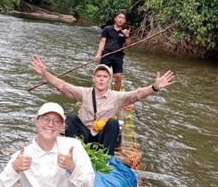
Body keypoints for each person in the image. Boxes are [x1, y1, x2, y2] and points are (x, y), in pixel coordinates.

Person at [30, 55, 175, 156]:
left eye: (105, 77)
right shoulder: (84, 93)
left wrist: (154, 87)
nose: (101, 79)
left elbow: (137, 95)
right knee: (72, 118)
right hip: (84, 134)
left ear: (110, 80)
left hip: (102, 139)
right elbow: (62, 85)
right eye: (98, 76)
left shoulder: (117, 97)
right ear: (93, 79)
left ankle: (107, 159)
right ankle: (72, 155)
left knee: (113, 123)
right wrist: (45, 74)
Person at [0, 102, 99, 187]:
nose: (50, 124)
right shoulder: (23, 156)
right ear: (37, 121)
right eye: (46, 119)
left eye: (56, 121)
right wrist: (14, 170)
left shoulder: (74, 147)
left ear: (62, 126)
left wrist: (72, 168)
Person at [94, 11, 131, 91]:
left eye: (123, 18)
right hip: (106, 55)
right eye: (119, 17)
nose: (120, 20)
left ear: (124, 21)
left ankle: (115, 96)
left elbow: (128, 46)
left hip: (118, 57)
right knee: (102, 76)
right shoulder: (107, 29)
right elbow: (102, 42)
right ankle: (100, 92)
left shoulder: (124, 32)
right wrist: (98, 54)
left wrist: (127, 36)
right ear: (115, 19)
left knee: (118, 77)